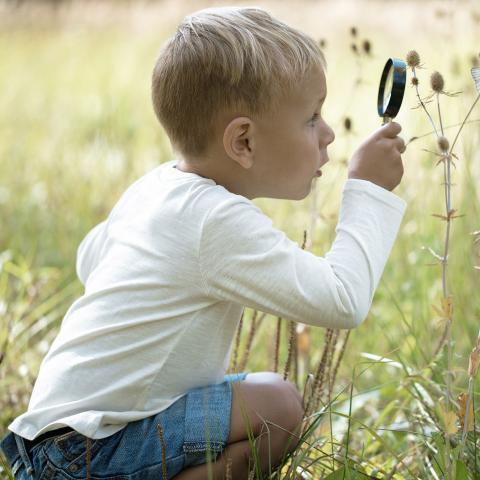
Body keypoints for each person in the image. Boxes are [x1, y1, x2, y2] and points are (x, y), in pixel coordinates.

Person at [0, 5, 407, 480]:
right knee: (278, 406)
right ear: (244, 142)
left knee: (268, 396)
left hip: (50, 444)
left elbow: (89, 259)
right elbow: (343, 300)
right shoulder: (216, 219)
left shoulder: (155, 187)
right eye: (311, 118)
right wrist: (369, 191)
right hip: (95, 452)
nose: (329, 132)